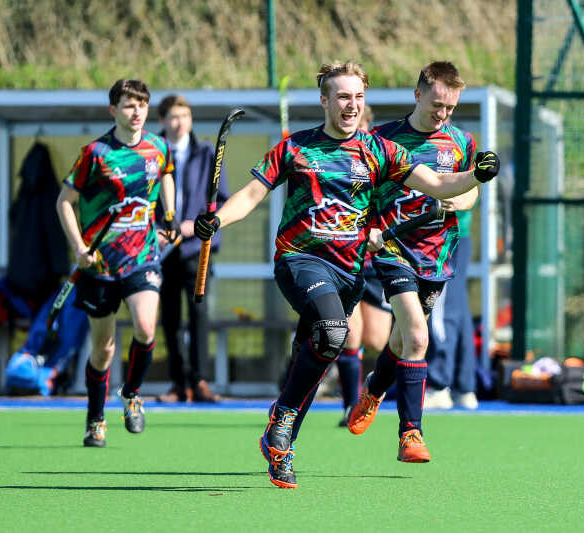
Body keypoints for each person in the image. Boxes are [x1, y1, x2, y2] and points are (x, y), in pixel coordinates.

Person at [194, 61, 498, 488]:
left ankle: (280, 445)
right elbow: (250, 195)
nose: (351, 105)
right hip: (300, 259)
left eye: (357, 97)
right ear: (325, 101)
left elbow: (438, 184)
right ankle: (284, 418)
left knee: (314, 350)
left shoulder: (380, 151)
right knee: (335, 332)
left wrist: (476, 174)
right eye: (342, 97)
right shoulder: (295, 148)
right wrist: (217, 220)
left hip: (350, 270)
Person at [346, 61, 483, 462]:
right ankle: (411, 434)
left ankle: (373, 390)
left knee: (402, 340)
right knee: (419, 338)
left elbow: (471, 187)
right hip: (392, 249)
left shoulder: (460, 141)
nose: (443, 114)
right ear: (418, 94)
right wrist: (367, 227)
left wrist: (463, 197)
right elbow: (361, 191)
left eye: (451, 108)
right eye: (437, 104)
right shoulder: (383, 138)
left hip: (437, 253)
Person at [56, 79, 178, 447]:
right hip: (100, 265)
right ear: (113, 111)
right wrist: (79, 247)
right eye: (128, 105)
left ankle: (132, 392)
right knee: (103, 348)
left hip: (142, 256)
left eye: (141, 104)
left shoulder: (158, 147)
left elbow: (166, 174)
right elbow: (65, 201)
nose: (136, 111)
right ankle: (95, 419)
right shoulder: (95, 154)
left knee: (145, 327)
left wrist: (169, 215)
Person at [155, 94, 228, 403]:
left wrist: (194, 226)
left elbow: (220, 201)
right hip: (159, 249)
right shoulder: (151, 151)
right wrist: (154, 230)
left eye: (184, 115)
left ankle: (200, 381)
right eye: (173, 116)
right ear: (162, 121)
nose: (179, 122)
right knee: (169, 318)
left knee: (199, 316)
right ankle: (177, 383)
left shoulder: (207, 152)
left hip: (196, 249)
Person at [331, 104, 394, 426]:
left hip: (376, 264)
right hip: (346, 262)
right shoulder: (336, 161)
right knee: (349, 335)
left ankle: (371, 390)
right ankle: (349, 405)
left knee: (378, 340)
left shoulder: (381, 160)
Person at [423, 201, 479, 410]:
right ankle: (464, 387)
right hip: (452, 234)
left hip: (445, 235)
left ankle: (439, 386)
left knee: (442, 308)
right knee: (457, 308)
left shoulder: (459, 166)